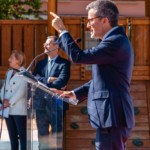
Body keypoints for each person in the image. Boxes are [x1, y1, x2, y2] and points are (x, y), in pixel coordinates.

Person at [49, 0, 135, 149]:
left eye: (90, 20)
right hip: (111, 117)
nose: (88, 26)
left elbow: (79, 57)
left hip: (113, 116)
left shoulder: (115, 41)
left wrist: (62, 30)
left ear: (104, 20)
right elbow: (102, 80)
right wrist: (74, 93)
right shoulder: (113, 41)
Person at [32, 35, 71, 150]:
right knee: (42, 137)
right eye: (45, 43)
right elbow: (34, 79)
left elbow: (61, 82)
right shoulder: (40, 63)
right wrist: (48, 79)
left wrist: (42, 81)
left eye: (48, 43)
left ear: (56, 46)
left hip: (56, 105)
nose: (45, 45)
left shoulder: (64, 63)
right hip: (41, 105)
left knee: (56, 138)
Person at [0, 50, 27, 150]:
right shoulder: (9, 72)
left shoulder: (25, 73)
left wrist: (9, 102)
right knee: (12, 137)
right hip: (8, 111)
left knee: (23, 138)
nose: (8, 60)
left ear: (18, 60)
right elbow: (4, 88)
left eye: (11, 58)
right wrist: (3, 99)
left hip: (19, 111)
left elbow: (21, 91)